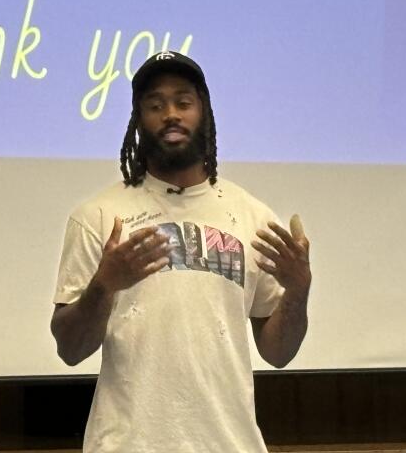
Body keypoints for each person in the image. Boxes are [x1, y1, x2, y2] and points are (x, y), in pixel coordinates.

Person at [50, 51, 311, 452]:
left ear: (204, 113)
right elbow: (70, 349)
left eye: (183, 102)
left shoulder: (252, 217)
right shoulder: (99, 217)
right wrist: (104, 285)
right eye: (155, 105)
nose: (171, 114)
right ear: (138, 121)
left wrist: (298, 290)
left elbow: (278, 352)